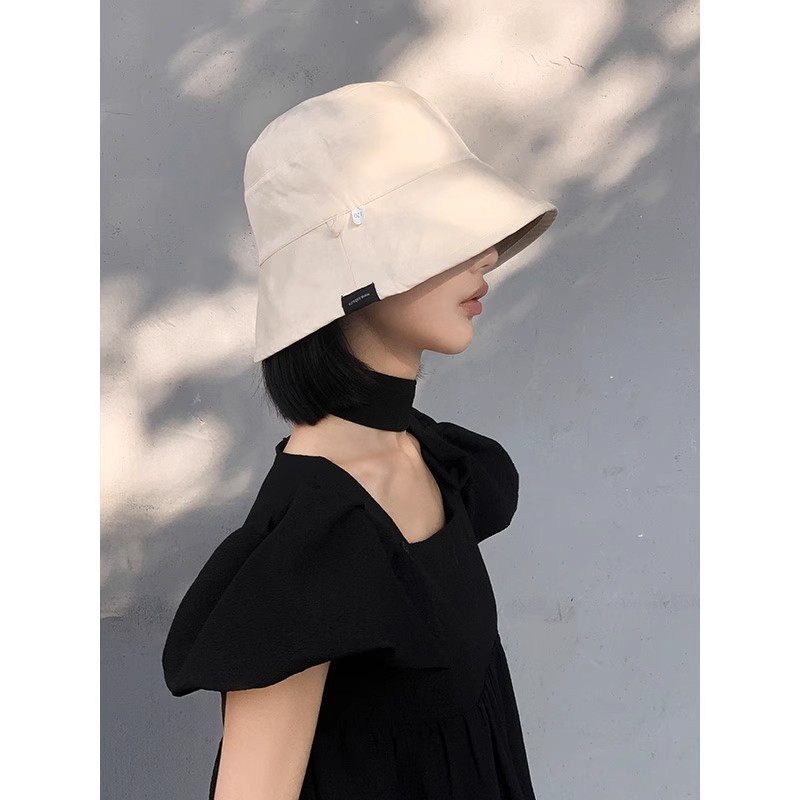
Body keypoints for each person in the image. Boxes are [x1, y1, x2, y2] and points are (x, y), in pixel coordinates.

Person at [162, 80, 558, 800]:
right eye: (442, 232)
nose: (487, 255)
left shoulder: (434, 459)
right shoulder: (314, 541)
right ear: (350, 272)